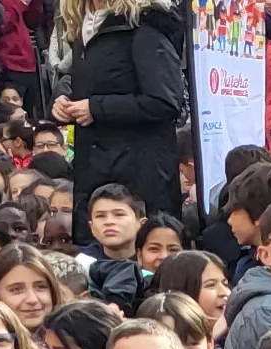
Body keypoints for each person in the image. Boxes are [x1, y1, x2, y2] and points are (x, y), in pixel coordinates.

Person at [54, 0, 193, 223]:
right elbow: (93, 86)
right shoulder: (82, 31)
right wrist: (63, 101)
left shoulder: (145, 26)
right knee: (93, 253)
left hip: (140, 176)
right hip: (93, 169)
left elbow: (165, 101)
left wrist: (96, 108)